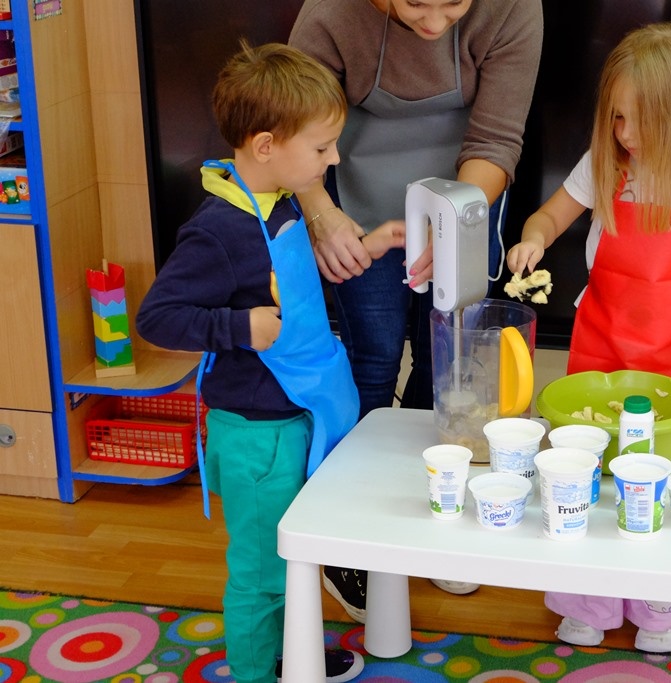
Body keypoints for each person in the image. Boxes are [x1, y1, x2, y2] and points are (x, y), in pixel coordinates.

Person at [136, 41, 401, 683]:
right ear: (265, 145)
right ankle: (257, 672)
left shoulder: (279, 199)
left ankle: (293, 656)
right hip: (256, 437)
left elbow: (288, 288)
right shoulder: (217, 231)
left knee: (296, 557)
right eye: (323, 147)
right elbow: (156, 317)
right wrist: (238, 327)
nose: (334, 159)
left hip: (296, 415)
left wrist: (370, 246)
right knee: (261, 573)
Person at [289, 0, 543, 611]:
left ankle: (435, 522)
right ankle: (351, 538)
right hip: (353, 206)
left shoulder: (512, 9)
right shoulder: (330, 15)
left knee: (448, 369)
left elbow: (495, 140)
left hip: (465, 199)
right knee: (371, 364)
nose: (433, 25)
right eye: (414, 5)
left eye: (452, 4)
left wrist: (449, 223)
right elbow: (291, 127)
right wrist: (321, 215)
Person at [506, 22, 671, 653]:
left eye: (642, 120)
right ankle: (586, 599)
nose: (626, 135)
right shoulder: (606, 166)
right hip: (601, 355)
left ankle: (661, 604)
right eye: (617, 117)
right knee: (591, 479)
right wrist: (533, 238)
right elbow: (550, 215)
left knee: (665, 483)